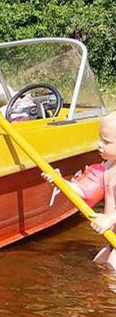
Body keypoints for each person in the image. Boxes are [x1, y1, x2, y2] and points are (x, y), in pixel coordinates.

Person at [47, 112, 116, 270]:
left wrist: (110, 219)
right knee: (98, 265)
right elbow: (85, 191)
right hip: (112, 238)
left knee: (110, 272)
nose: (99, 144)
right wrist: (60, 182)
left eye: (106, 141)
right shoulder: (108, 166)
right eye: (100, 138)